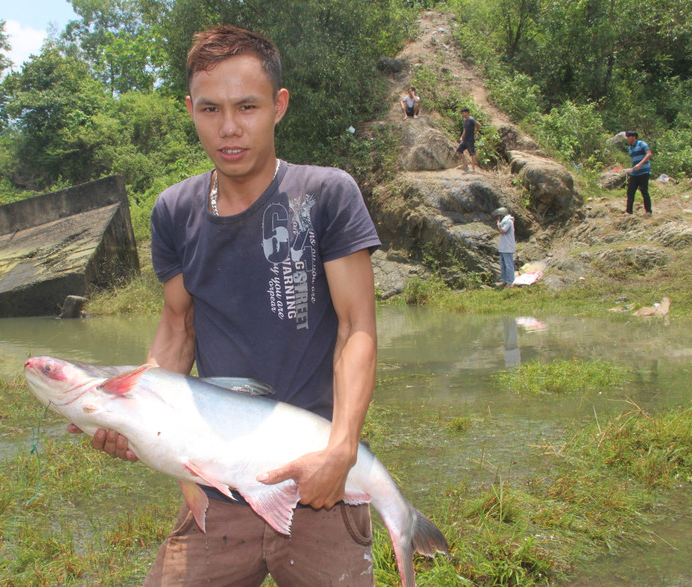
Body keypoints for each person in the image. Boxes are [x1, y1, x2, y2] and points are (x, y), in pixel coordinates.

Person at [69, 25, 381, 585]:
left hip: (318, 478)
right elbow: (177, 328)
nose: (229, 128)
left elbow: (356, 328)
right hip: (216, 478)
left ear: (279, 106)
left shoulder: (327, 194)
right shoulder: (174, 211)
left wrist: (341, 452)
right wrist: (135, 415)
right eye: (210, 109)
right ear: (189, 108)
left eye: (247, 107)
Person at [624, 130, 652, 215]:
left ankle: (648, 211)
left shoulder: (641, 144)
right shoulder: (630, 148)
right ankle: (629, 211)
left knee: (644, 191)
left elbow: (649, 154)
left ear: (633, 137)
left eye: (628, 136)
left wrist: (640, 164)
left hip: (644, 172)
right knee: (630, 191)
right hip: (635, 173)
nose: (627, 138)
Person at [493, 207, 515, 286]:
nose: (498, 218)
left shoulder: (508, 221)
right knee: (503, 266)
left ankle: (510, 282)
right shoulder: (504, 222)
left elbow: (502, 231)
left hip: (508, 248)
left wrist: (498, 224)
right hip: (503, 247)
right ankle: (504, 281)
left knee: (509, 265)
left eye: (499, 216)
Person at [457, 107, 481, 171]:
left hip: (470, 139)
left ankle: (473, 167)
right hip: (465, 139)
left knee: (472, 153)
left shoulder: (471, 119)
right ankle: (465, 163)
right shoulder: (464, 120)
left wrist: (475, 132)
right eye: (462, 113)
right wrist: (462, 136)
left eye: (463, 113)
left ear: (467, 112)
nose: (462, 115)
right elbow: (465, 129)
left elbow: (479, 125)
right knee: (459, 150)